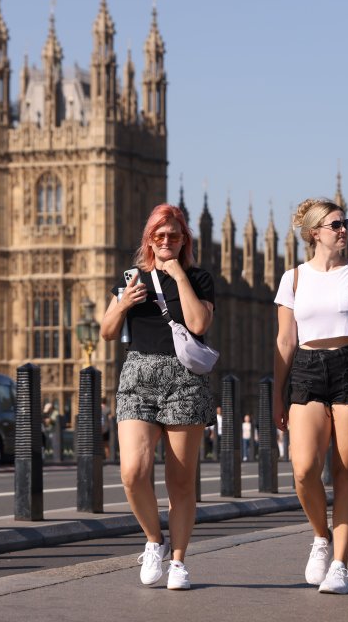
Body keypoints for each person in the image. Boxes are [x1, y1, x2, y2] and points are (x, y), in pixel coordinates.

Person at [101, 203, 215, 591]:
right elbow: (107, 331)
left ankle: (179, 561)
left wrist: (177, 272)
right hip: (138, 376)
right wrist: (124, 303)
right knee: (132, 472)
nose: (166, 241)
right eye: (159, 235)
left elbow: (198, 324)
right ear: (149, 239)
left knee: (181, 483)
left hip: (184, 379)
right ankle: (154, 541)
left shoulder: (198, 279)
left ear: (185, 240)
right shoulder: (131, 278)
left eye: (174, 236)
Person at [273, 198, 348, 595]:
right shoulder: (294, 279)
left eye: (345, 223)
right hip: (307, 367)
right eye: (336, 224)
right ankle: (321, 536)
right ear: (314, 233)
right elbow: (285, 340)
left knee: (345, 472)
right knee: (303, 469)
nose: (343, 230)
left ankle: (340, 565)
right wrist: (277, 394)